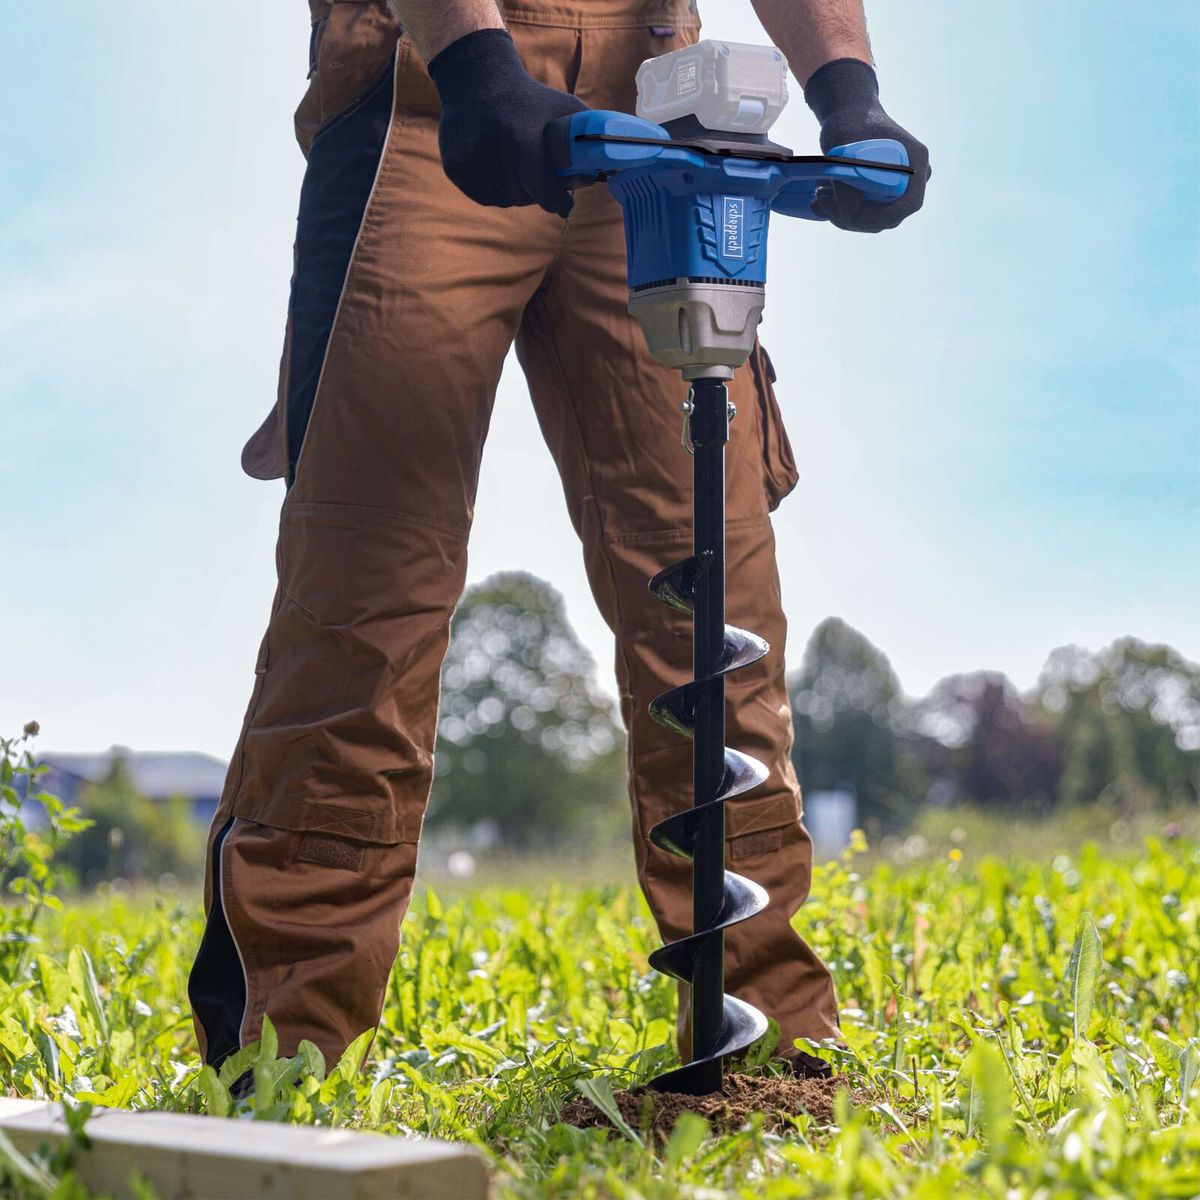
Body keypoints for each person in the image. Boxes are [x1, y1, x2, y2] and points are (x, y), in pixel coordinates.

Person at [188, 0, 930, 1081]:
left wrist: (846, 89)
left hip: (658, 112)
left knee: (711, 591)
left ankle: (764, 1053)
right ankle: (283, 1068)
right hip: (428, 92)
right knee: (367, 596)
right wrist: (482, 65)